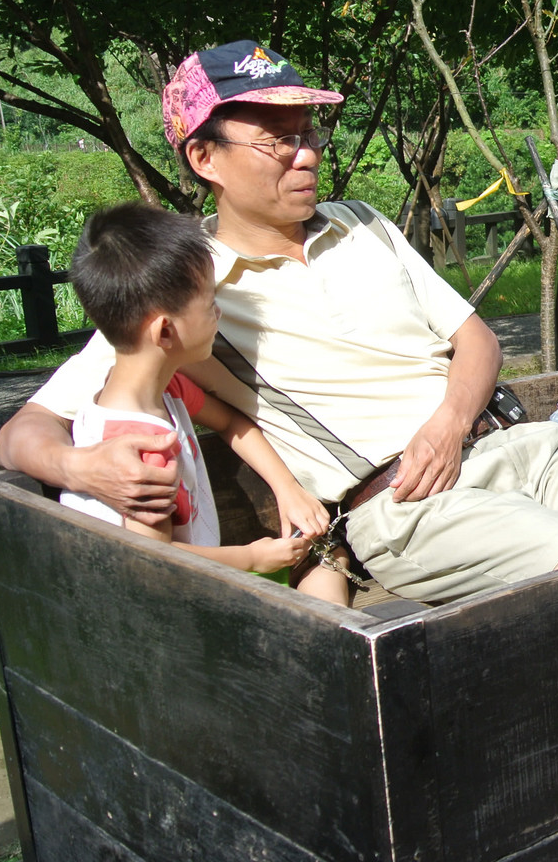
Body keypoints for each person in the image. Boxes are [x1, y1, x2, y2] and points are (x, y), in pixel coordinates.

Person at [0, 40, 558, 605]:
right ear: (205, 157)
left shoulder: (362, 223)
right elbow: (21, 433)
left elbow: (476, 339)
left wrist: (450, 422)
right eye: (276, 141)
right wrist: (80, 466)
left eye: (308, 132)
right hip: (413, 507)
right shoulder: (183, 289)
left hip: (520, 446)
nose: (306, 154)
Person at [59, 201, 347, 604]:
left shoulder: (161, 389)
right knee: (330, 565)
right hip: (169, 602)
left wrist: (286, 488)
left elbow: (231, 424)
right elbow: (153, 562)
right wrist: (251, 558)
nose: (218, 313)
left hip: (182, 584)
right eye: (210, 303)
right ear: (165, 331)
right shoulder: (144, 450)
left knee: (328, 557)